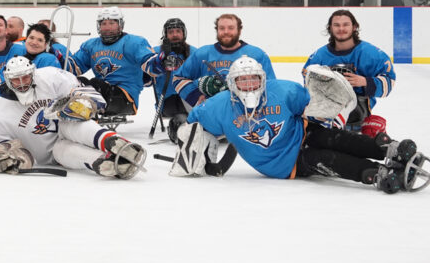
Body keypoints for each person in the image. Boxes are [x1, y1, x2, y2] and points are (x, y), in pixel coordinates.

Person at [179, 56, 424, 194]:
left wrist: (331, 100)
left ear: (263, 80)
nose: (249, 85)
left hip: (300, 133)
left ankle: (386, 149)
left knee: (332, 138)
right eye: (242, 81)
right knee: (326, 158)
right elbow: (191, 124)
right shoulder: (218, 106)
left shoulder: (283, 90)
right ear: (232, 84)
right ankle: (375, 175)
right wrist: (187, 140)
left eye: (254, 79)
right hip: (281, 164)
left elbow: (316, 104)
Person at [0, 56, 146, 179]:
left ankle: (118, 144)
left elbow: (88, 93)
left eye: (25, 77)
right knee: (68, 153)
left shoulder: (50, 77)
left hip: (66, 125)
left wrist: (81, 103)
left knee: (75, 125)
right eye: (16, 80)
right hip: (52, 155)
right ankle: (108, 164)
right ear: (8, 81)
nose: (22, 83)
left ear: (32, 73)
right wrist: (10, 156)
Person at [302, 9, 395, 133]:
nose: (341, 29)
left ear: (354, 27)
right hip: (326, 121)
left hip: (360, 122)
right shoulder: (319, 57)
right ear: (330, 28)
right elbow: (308, 89)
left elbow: (389, 82)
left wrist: (365, 82)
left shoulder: (372, 54)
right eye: (336, 25)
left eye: (345, 24)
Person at [173, 13, 275, 108]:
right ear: (217, 30)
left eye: (231, 28)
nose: (226, 32)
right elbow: (177, 78)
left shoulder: (256, 54)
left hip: (247, 114)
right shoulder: (202, 54)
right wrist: (197, 96)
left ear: (239, 30)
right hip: (213, 112)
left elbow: (271, 86)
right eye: (222, 28)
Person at [69, 7, 155, 119]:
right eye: (104, 23)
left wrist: (161, 62)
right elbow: (72, 68)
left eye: (112, 23)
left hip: (126, 98)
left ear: (120, 25)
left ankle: (85, 116)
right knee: (77, 82)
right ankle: (70, 111)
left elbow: (150, 62)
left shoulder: (133, 42)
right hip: (102, 92)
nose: (107, 27)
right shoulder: (91, 45)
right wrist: (57, 59)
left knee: (95, 84)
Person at [142, 17, 196, 140]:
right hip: (167, 101)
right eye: (171, 32)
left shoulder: (194, 53)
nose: (175, 35)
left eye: (178, 31)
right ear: (165, 35)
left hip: (191, 98)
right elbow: (145, 81)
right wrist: (159, 64)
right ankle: (181, 128)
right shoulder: (155, 52)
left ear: (184, 33)